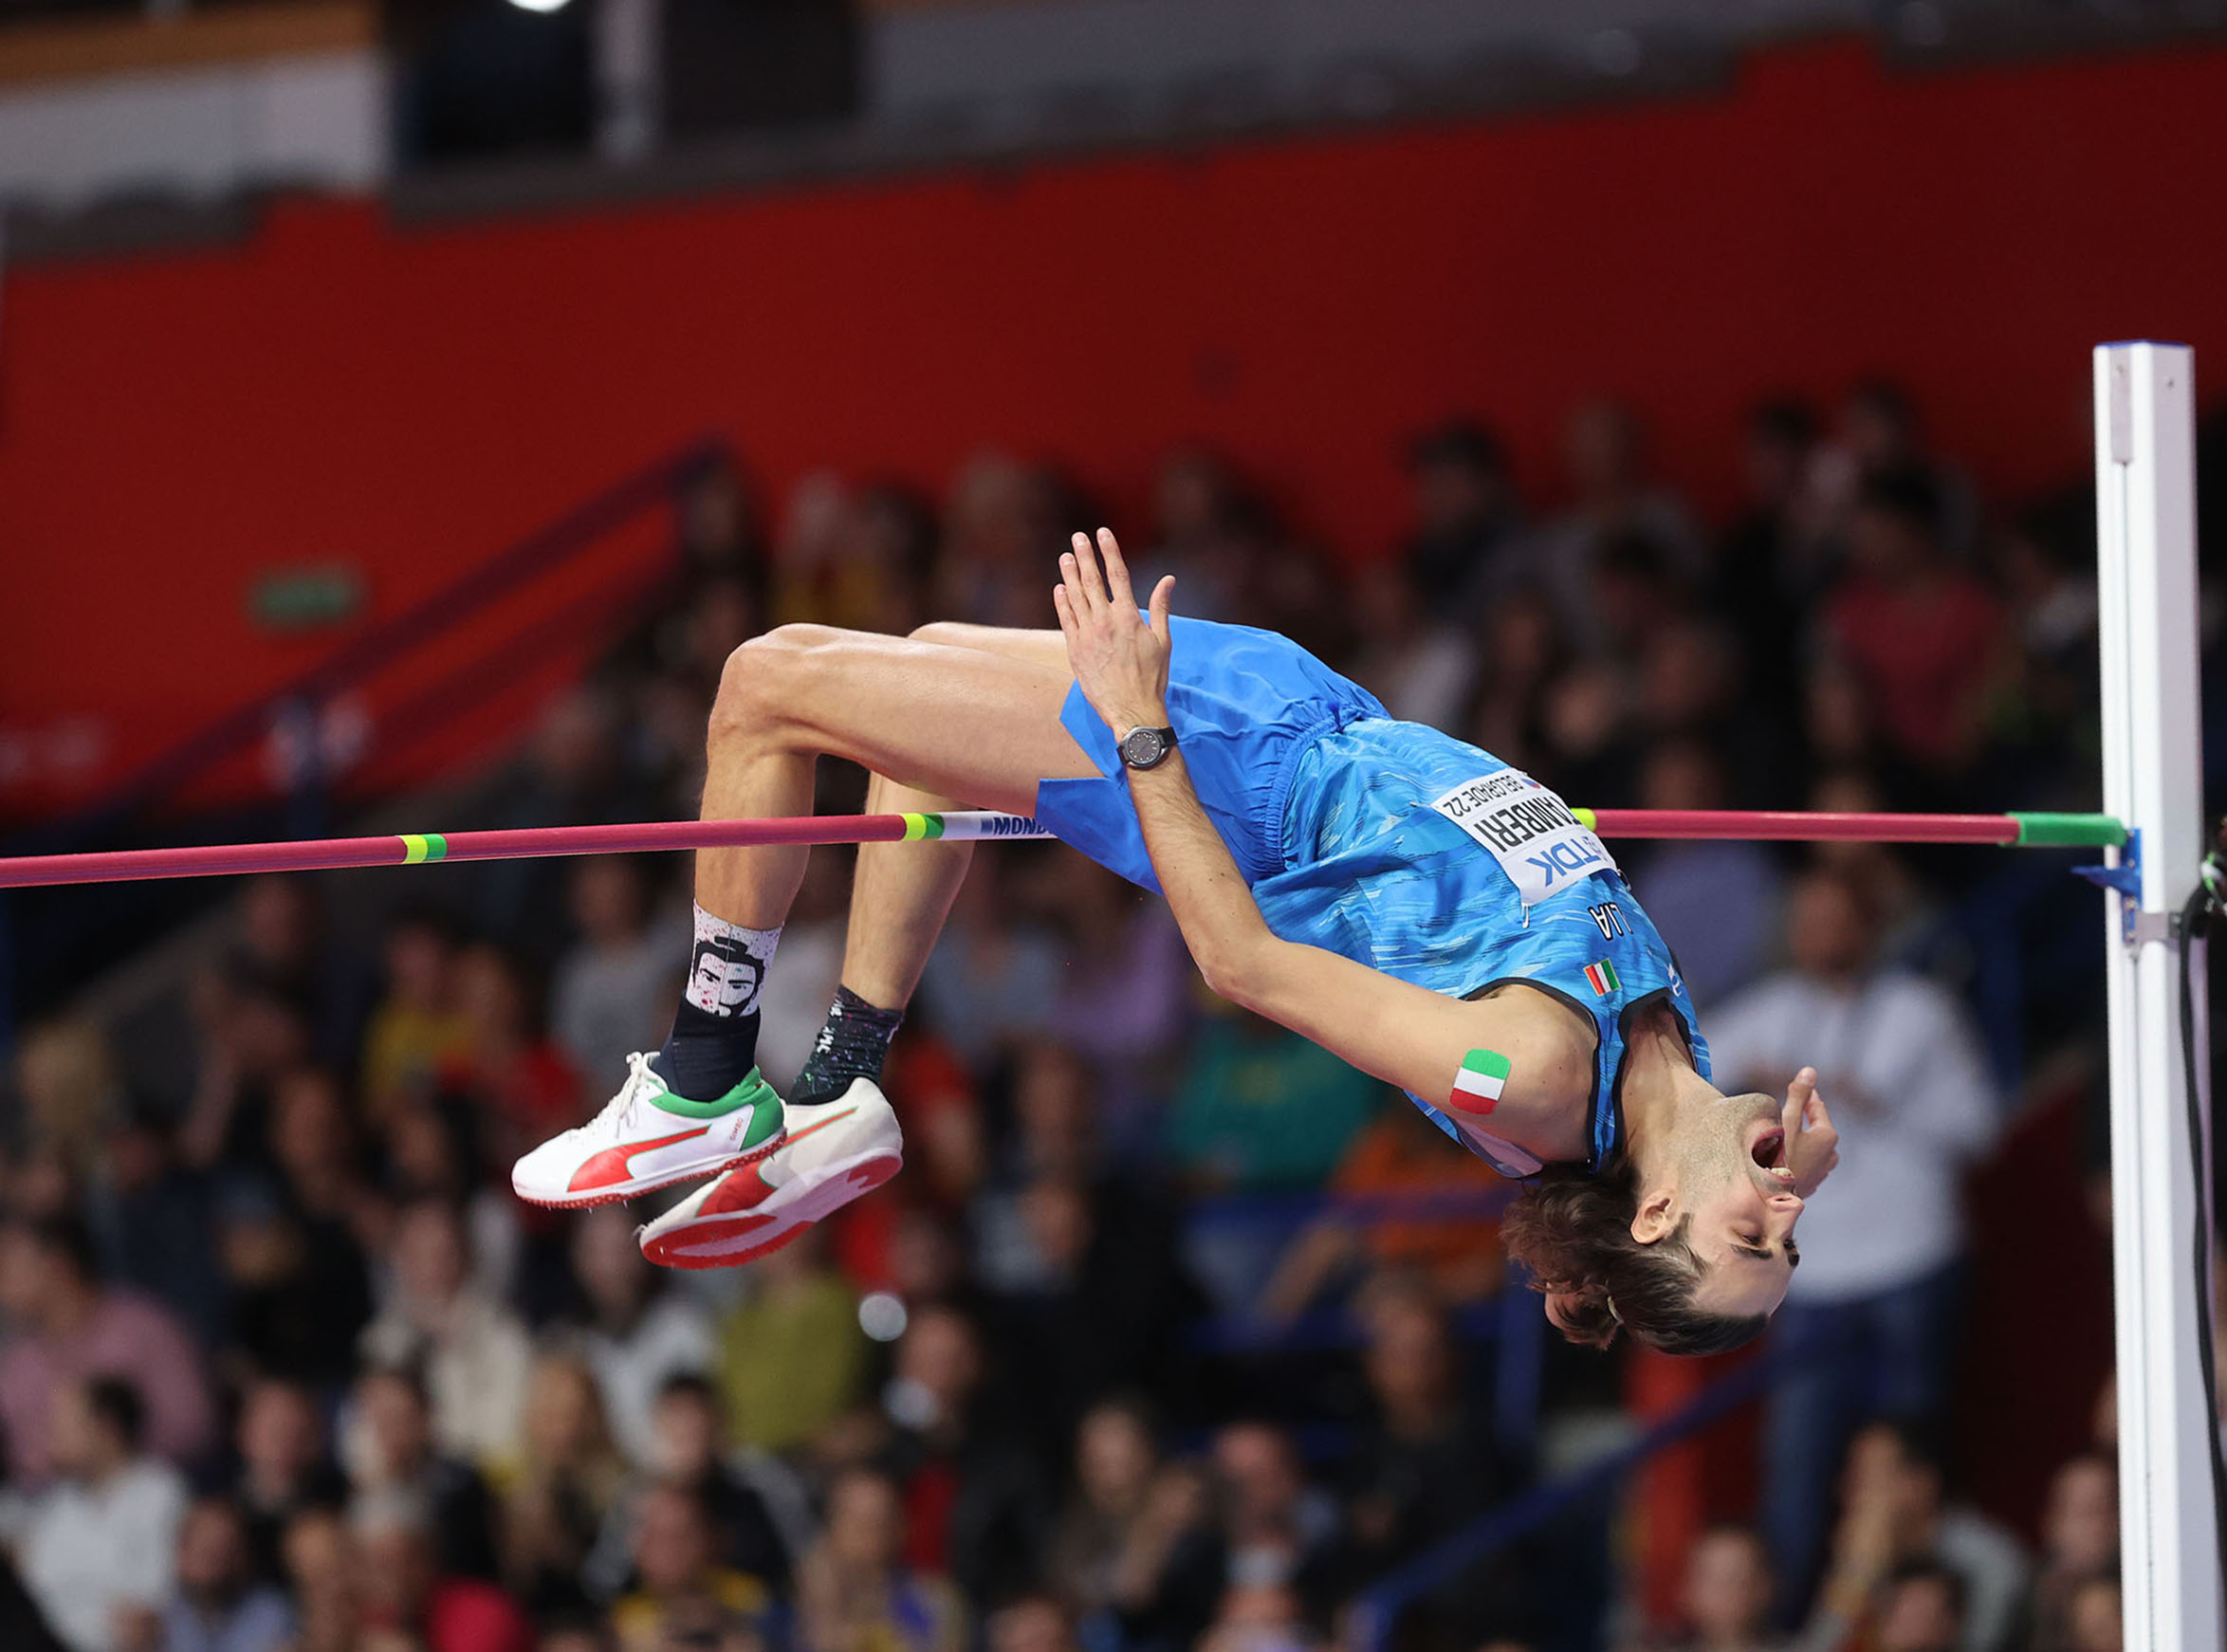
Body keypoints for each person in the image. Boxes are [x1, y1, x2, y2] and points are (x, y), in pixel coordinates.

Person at [510, 530, 1838, 1353]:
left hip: (1238, 773)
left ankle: (702, 1073)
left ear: (1655, 1210)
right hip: (1312, 713)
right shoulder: (1673, 1082)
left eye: (1755, 1240)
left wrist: (1140, 725)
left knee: (766, 681)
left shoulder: (1537, 1076)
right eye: (1788, 1236)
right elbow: (1719, 1171)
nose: (1783, 1212)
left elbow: (1241, 964)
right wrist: (1775, 1184)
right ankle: (841, 1079)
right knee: (913, 680)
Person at [18, 1377, 190, 1652]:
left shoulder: (162, 1494)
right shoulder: (54, 1506)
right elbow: (35, 1590)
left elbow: (157, 1598)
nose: (52, 1440)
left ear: (107, 1428)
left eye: (64, 1428)